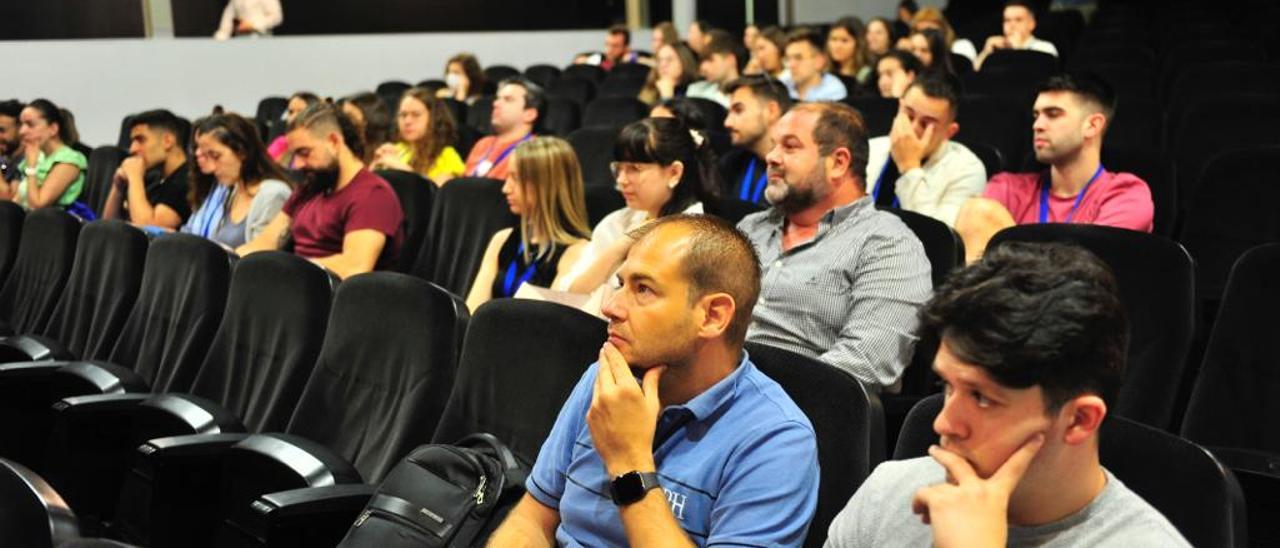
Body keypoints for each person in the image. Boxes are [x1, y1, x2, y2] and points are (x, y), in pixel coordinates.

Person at [824, 242, 1191, 548]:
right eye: (948, 387)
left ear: (1079, 420)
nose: (943, 422)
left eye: (982, 398)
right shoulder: (888, 493)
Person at [489, 214, 819, 548]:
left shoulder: (777, 441)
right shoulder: (605, 379)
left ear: (713, 316)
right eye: (621, 284)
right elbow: (533, 518)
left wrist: (630, 464)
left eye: (643, 289)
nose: (610, 306)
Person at [737, 102, 931, 391]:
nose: (771, 157)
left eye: (790, 147)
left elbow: (865, 362)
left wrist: (757, 397)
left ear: (838, 162)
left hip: (799, 413)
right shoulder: (751, 228)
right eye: (773, 145)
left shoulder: (888, 244)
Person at [955, 73, 1153, 263]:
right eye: (1036, 115)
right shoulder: (1006, 187)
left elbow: (1089, 274)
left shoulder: (1126, 194)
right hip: (1001, 297)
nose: (1037, 125)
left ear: (1092, 125)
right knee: (977, 210)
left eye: (1053, 114)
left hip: (1082, 297)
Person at [237, 103, 404, 279]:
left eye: (304, 152)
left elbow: (354, 266)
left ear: (334, 141)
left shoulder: (373, 195)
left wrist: (287, 269)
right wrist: (231, 258)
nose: (298, 164)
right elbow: (265, 242)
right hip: (296, 287)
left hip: (336, 298)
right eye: (295, 155)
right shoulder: (310, 188)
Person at [555, 117, 720, 295]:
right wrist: (620, 247)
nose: (621, 180)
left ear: (674, 173)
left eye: (635, 169)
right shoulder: (617, 221)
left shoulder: (698, 236)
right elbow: (573, 294)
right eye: (619, 168)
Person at [465, 137, 591, 310]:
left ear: (546, 185)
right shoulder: (502, 240)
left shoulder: (577, 252)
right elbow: (472, 310)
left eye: (516, 179)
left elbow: (549, 322)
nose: (506, 188)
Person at [865, 74, 986, 227]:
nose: (912, 129)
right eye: (908, 115)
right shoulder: (870, 148)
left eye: (926, 124)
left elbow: (936, 240)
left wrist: (910, 167)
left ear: (949, 132)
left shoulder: (967, 170)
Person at [181, 113, 294, 249]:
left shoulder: (273, 194)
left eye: (215, 156)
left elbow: (262, 258)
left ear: (242, 152)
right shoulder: (232, 190)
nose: (211, 166)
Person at [102, 109, 192, 229]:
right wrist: (118, 187)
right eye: (132, 141)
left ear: (168, 141)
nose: (132, 149)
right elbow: (107, 227)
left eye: (140, 140)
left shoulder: (187, 178)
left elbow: (152, 230)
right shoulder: (153, 179)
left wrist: (134, 177)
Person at [0, 99, 87, 212]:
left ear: (53, 129)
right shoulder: (38, 157)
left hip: (55, 225)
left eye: (30, 124)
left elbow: (38, 205)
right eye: (22, 125)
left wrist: (31, 167)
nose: (22, 131)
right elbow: (13, 203)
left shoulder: (69, 160)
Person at [721, 76, 792, 205]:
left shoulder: (796, 170)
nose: (727, 123)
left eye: (738, 110)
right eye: (728, 113)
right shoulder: (731, 164)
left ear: (771, 111)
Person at [372, 87, 465, 185]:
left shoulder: (447, 155)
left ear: (433, 119)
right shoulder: (396, 150)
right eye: (403, 115)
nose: (407, 121)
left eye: (416, 115)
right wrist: (376, 163)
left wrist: (401, 169)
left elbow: (437, 195)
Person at [464, 77, 544, 180]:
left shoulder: (535, 150)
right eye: (498, 98)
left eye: (508, 99)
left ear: (530, 114)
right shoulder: (483, 144)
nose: (495, 104)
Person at [976, 0, 1059, 70]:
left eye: (1018, 20)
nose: (1012, 25)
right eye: (1007, 20)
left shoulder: (1044, 47)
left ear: (1032, 24)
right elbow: (975, 76)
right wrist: (986, 51)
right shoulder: (996, 48)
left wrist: (1018, 49)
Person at [781, 29, 848, 102]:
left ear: (819, 61)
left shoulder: (833, 90)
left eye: (798, 58)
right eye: (788, 59)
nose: (791, 65)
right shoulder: (782, 85)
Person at [685, 30, 741, 107]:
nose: (703, 67)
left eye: (710, 60)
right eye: (702, 60)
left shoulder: (750, 96)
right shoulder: (696, 92)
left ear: (730, 60)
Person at [637, 42, 699, 106]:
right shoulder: (650, 90)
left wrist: (667, 98)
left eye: (669, 60)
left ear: (684, 62)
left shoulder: (696, 91)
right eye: (659, 60)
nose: (663, 65)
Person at [339, 92, 393, 165]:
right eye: (343, 115)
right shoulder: (342, 149)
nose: (343, 122)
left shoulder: (386, 154)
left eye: (350, 117)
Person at [267, 92, 320, 163]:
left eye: (300, 112)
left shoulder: (322, 144)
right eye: (291, 112)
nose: (293, 117)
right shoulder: (281, 143)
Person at [911, 7, 979, 63]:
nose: (925, 36)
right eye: (921, 32)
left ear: (943, 29)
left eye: (930, 31)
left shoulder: (961, 47)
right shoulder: (916, 54)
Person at [827, 17, 873, 85]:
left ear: (858, 43)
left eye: (844, 40)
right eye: (834, 39)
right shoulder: (824, 74)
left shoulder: (868, 74)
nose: (837, 46)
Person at [214, 0, 282, 40]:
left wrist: (252, 25)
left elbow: (277, 17)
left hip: (262, 38)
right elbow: (227, 22)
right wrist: (218, 39)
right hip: (241, 39)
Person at [0, 100, 23, 181]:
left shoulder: (31, 163)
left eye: (2, 130)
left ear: (20, 128)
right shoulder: (4, 162)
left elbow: (6, 193)